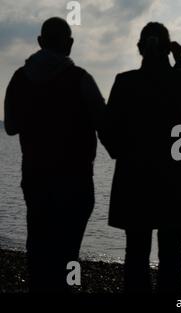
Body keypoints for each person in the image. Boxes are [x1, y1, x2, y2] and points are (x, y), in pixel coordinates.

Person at [99, 22, 181, 293]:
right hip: (177, 179)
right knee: (172, 253)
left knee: (136, 252)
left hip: (134, 178)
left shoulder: (125, 82)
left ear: (140, 48)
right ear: (167, 49)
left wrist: (120, 152)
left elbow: (106, 127)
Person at [4, 17, 106, 292]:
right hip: (76, 182)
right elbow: (105, 126)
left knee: (37, 248)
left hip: (36, 178)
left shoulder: (19, 79)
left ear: (39, 42)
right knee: (68, 252)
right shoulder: (81, 80)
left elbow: (11, 127)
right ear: (70, 44)